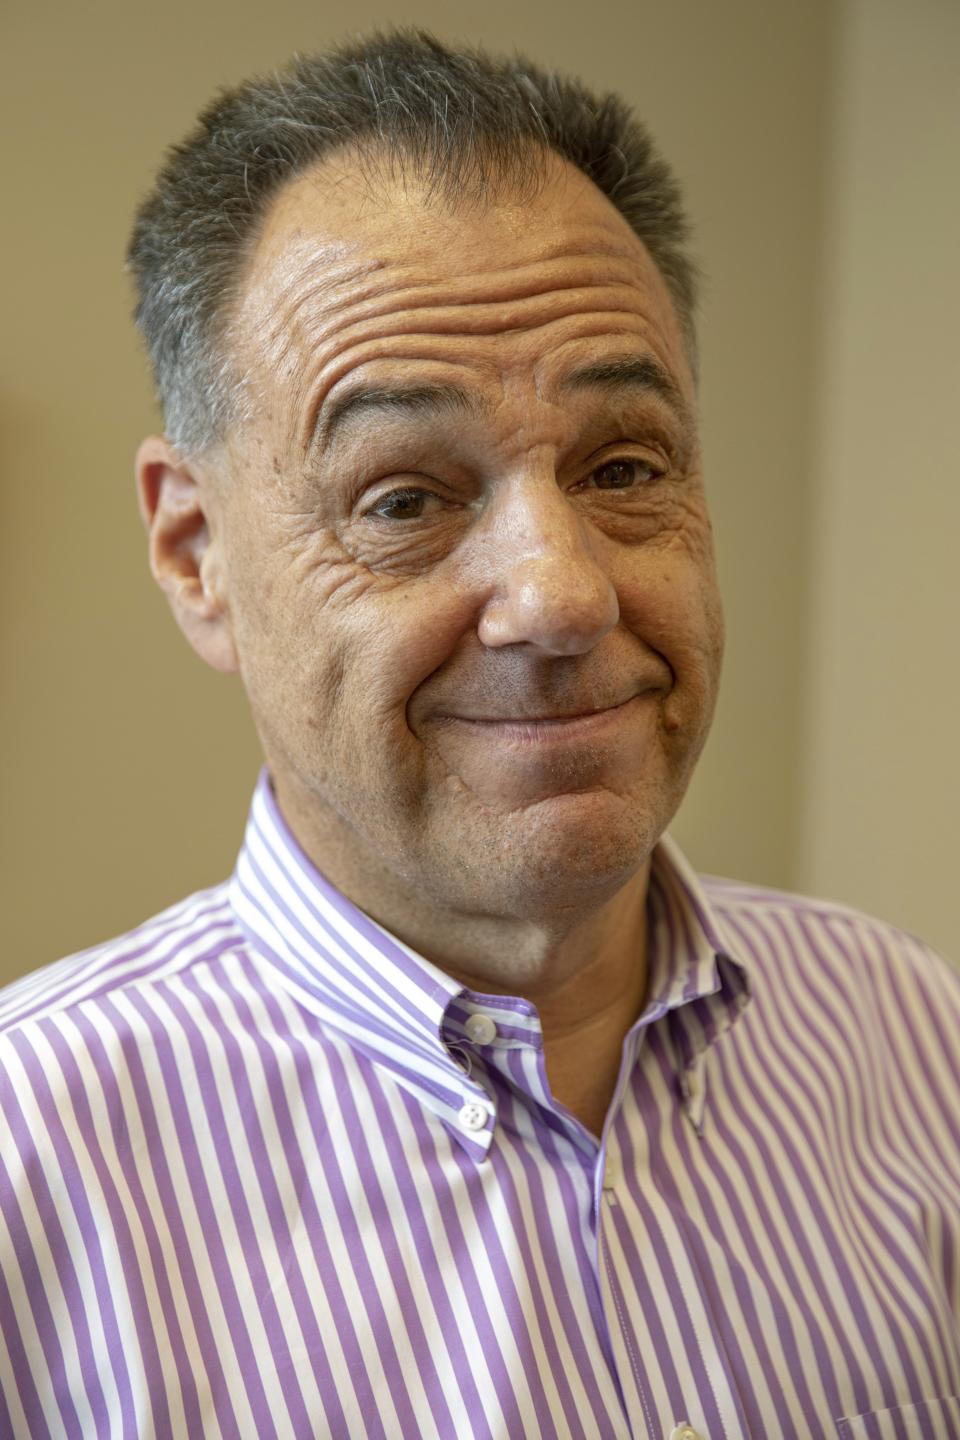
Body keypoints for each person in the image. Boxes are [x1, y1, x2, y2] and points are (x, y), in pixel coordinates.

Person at [1, 26, 958, 1440]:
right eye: (404, 498)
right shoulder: (32, 1171)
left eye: (624, 467)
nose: (564, 594)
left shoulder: (911, 1038)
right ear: (198, 553)